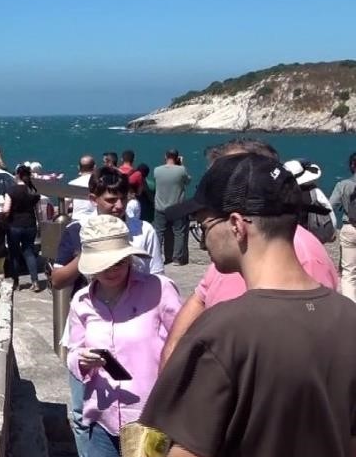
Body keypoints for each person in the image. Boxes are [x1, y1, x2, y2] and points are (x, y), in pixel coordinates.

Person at [127, 153, 356, 457]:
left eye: (204, 225)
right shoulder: (349, 318)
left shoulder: (222, 331)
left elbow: (191, 455)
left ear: (236, 225)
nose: (203, 235)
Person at [159, 139, 338, 367]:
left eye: (228, 176)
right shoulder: (233, 252)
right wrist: (173, 356)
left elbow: (304, 363)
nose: (213, 186)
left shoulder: (301, 257)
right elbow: (201, 297)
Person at [66, 214, 181, 457]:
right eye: (103, 263)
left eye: (118, 260)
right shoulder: (82, 302)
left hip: (146, 417)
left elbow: (185, 341)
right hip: (102, 417)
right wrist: (81, 361)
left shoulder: (158, 290)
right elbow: (72, 351)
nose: (112, 269)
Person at [50, 166, 164, 457]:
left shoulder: (143, 231)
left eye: (122, 199)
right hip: (90, 333)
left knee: (139, 407)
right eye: (110, 200)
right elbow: (58, 281)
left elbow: (158, 281)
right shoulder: (75, 232)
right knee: (84, 409)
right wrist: (94, 254)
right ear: (94, 199)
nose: (117, 206)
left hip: (134, 334)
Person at [3, 164, 42, 291]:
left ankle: (16, 283)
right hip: (30, 225)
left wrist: (1, 220)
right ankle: (35, 282)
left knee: (14, 254)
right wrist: (40, 225)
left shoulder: (11, 191)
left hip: (14, 226)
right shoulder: (34, 191)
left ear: (17, 175)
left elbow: (6, 209)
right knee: (29, 253)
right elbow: (39, 211)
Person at [152, 150, 191, 266]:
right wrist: (182, 165)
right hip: (177, 206)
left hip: (160, 206)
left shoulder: (157, 170)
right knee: (179, 232)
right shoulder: (181, 170)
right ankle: (177, 258)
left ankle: (157, 256)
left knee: (159, 232)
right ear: (177, 157)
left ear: (165, 156)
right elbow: (188, 181)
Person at [329, 151, 356, 302]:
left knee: (348, 273)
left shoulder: (343, 185)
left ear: (352, 165)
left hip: (349, 228)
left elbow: (330, 205)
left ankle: (351, 310)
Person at [68, 155, 97, 221]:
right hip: (94, 219)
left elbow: (66, 201)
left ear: (78, 167)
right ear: (95, 167)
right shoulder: (99, 183)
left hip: (77, 218)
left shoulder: (72, 183)